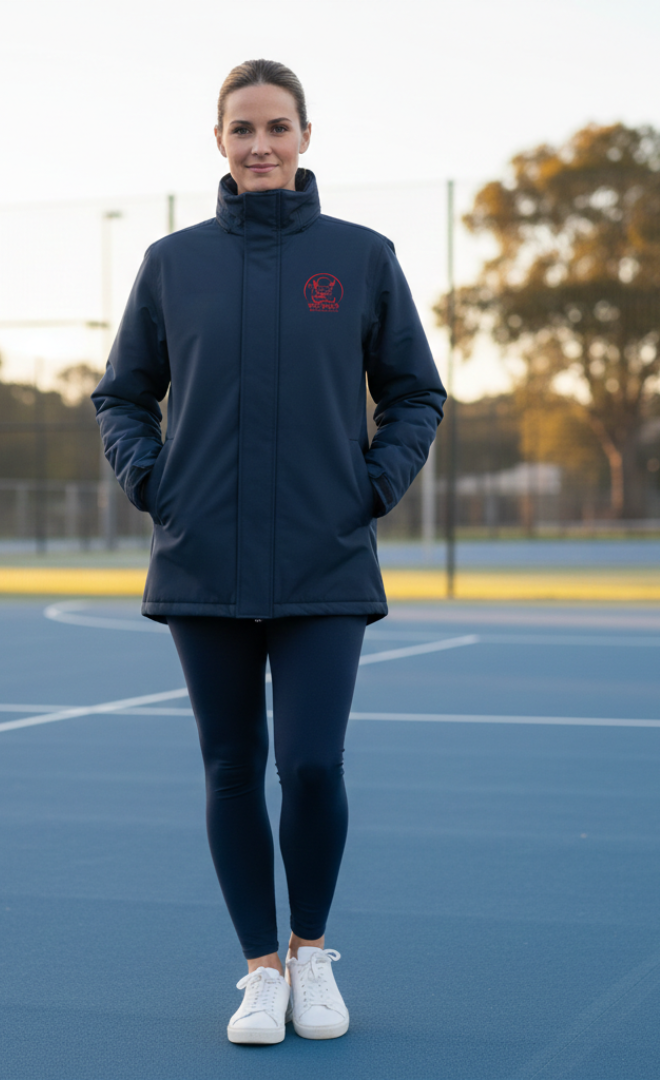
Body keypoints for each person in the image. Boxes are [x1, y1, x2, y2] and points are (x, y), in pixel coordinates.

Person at [92, 59, 444, 1045]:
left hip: (324, 558)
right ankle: (257, 969)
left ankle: (312, 953)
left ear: (303, 136)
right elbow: (122, 394)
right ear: (219, 141)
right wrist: (155, 485)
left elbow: (415, 391)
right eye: (242, 128)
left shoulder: (362, 257)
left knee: (314, 766)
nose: (261, 145)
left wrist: (372, 487)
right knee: (230, 766)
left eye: (277, 127)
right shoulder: (171, 263)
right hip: (202, 557)